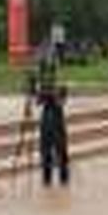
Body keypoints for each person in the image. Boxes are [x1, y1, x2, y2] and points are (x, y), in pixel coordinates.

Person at [29, 47, 70, 187]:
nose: (50, 76)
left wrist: (54, 94)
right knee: (45, 150)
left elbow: (61, 102)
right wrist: (33, 88)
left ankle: (64, 177)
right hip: (46, 119)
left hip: (58, 120)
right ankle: (46, 178)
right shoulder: (44, 84)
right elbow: (38, 102)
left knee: (61, 150)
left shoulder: (62, 85)